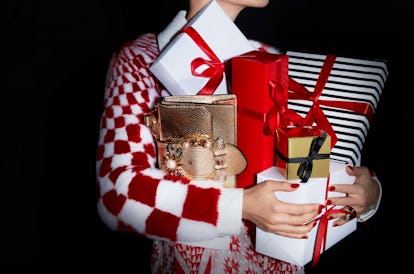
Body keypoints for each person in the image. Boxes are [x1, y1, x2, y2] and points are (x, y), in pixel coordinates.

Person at [95, 0, 382, 273]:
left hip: (282, 262)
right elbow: (118, 194)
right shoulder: (142, 59)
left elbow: (307, 164)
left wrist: (364, 194)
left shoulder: (269, 57)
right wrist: (242, 206)